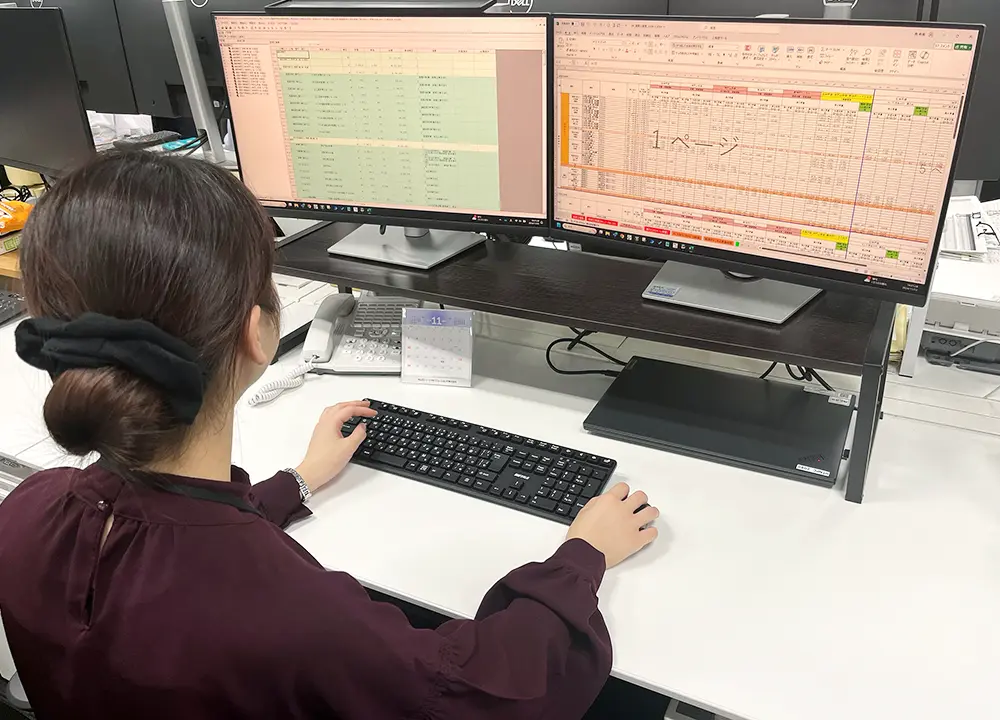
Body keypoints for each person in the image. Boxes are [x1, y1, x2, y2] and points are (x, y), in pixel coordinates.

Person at [0, 151, 659, 719]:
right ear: (257, 332)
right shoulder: (295, 622)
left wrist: (296, 481)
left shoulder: (27, 511)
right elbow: (489, 693)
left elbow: (167, 545)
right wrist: (581, 557)